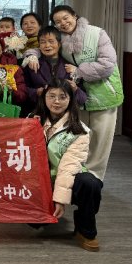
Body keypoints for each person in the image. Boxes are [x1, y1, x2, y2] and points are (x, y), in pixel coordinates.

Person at [44, 5, 123, 181]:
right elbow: (46, 47)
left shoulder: (96, 33)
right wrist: (31, 55)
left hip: (104, 95)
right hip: (79, 98)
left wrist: (79, 71)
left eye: (66, 18)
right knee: (79, 138)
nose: (63, 23)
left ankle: (94, 179)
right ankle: (79, 177)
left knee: (100, 141)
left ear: (75, 16)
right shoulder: (61, 39)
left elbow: (108, 64)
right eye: (58, 22)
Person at [35, 79, 103, 252]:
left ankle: (85, 230)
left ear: (70, 100)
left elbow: (68, 167)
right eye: (51, 96)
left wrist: (59, 199)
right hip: (40, 181)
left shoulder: (79, 130)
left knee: (90, 183)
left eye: (62, 97)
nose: (56, 101)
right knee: (34, 223)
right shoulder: (33, 121)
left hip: (68, 179)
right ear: (44, 98)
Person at [24, 26, 87, 108]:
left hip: (64, 112)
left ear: (59, 44)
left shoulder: (71, 66)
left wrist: (75, 89)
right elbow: (22, 90)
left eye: (51, 41)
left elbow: (82, 99)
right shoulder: (31, 64)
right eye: (43, 42)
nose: (47, 45)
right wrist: (36, 92)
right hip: (38, 110)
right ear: (39, 45)